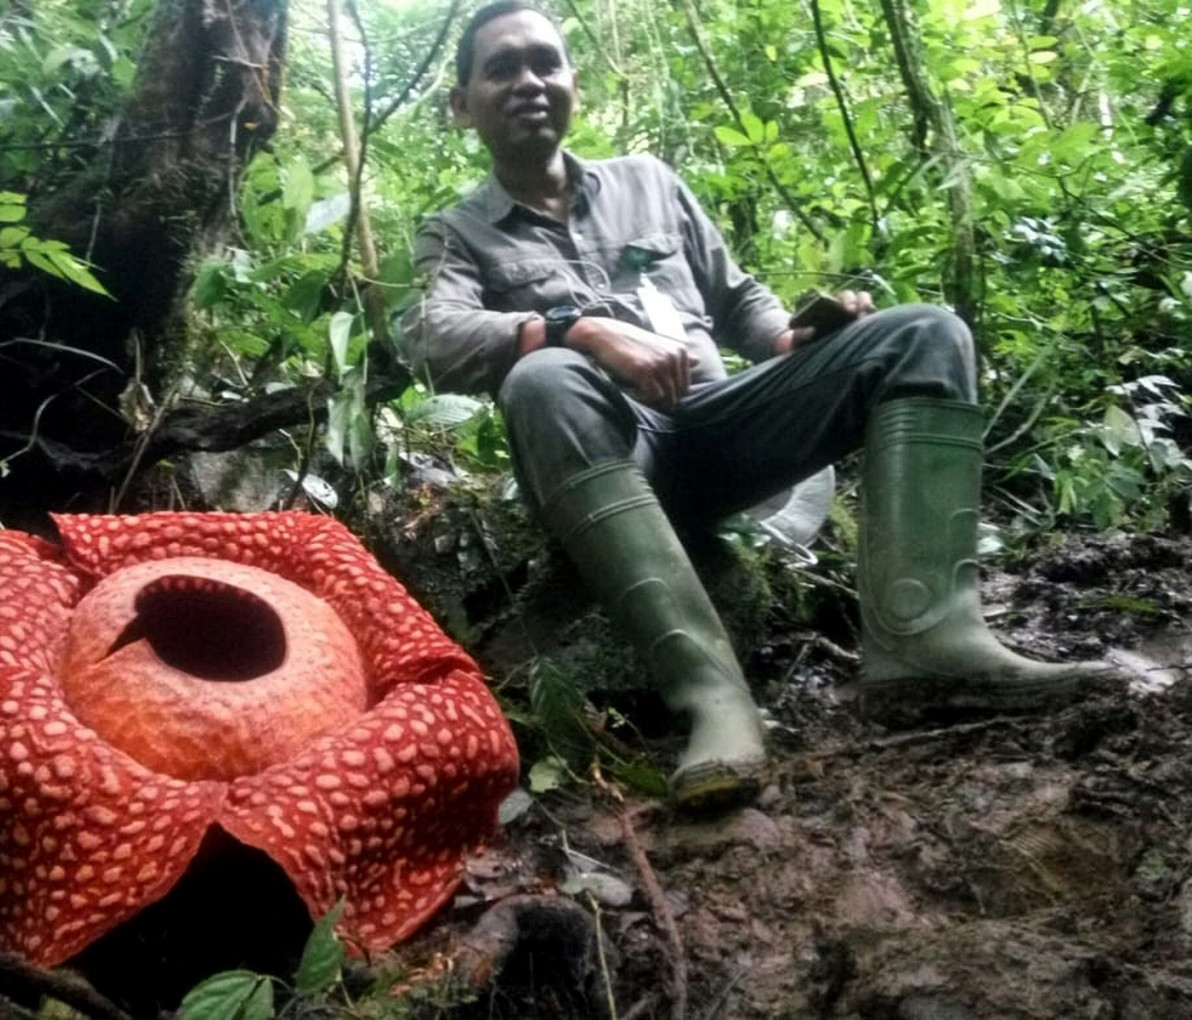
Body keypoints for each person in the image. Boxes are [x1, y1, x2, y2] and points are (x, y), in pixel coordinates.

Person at [399, 0, 1109, 810]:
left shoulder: (649, 184)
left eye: (545, 63)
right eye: (501, 69)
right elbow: (430, 335)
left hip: (721, 429)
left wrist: (792, 341)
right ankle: (715, 700)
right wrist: (578, 329)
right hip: (608, 457)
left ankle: (927, 642)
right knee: (543, 377)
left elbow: (740, 303)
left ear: (573, 85)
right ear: (461, 105)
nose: (528, 81)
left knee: (924, 333)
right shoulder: (456, 232)